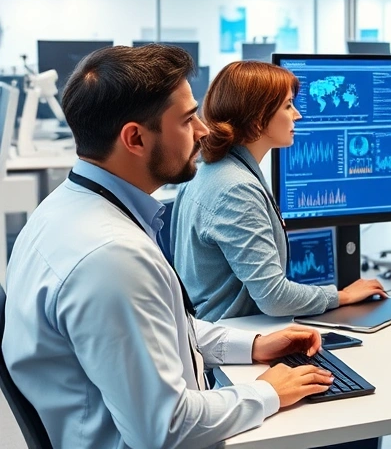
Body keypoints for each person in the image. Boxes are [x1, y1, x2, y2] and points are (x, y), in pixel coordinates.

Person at [2, 45, 336, 448]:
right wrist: (268, 392)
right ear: (135, 138)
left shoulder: (63, 209)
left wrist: (251, 344)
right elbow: (164, 429)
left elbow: (161, 325)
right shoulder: (111, 258)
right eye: (187, 119)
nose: (203, 130)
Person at [171, 60, 385, 322]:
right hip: (237, 343)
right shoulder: (236, 189)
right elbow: (274, 297)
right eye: (287, 105)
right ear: (259, 118)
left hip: (221, 335)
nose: (297, 115)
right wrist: (343, 296)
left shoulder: (206, 169)